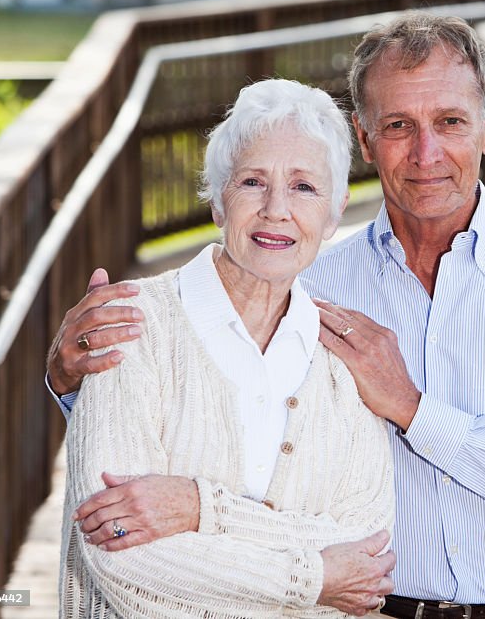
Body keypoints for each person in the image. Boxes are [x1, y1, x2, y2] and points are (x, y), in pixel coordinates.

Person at [48, 12, 485, 618]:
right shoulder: (303, 278)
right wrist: (73, 383)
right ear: (366, 140)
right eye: (398, 125)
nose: (426, 153)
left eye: (450, 122)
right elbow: (204, 424)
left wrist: (412, 409)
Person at [58, 79, 396, 618]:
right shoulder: (130, 327)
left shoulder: (344, 360)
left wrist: (198, 511)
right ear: (217, 203)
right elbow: (120, 557)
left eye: (305, 188)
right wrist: (312, 577)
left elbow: (364, 550)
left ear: (335, 213)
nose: (276, 210)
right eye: (252, 182)